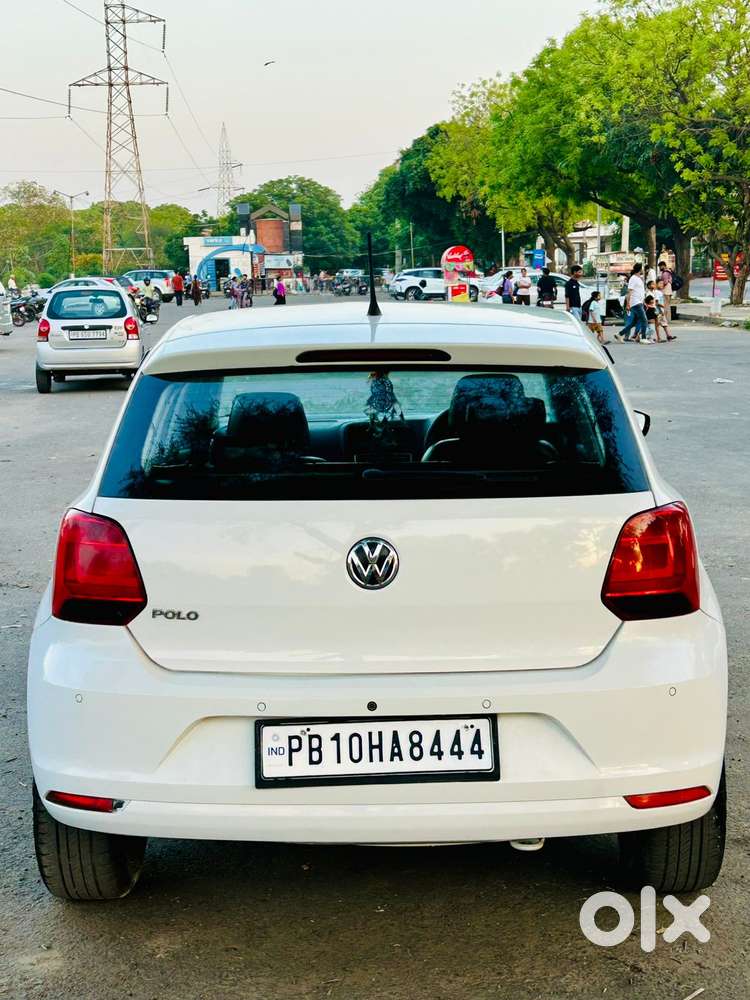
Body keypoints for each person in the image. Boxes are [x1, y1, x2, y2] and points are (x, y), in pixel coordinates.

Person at [614, 263, 648, 342]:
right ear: (640, 269)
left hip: (639, 302)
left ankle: (619, 334)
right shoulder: (633, 278)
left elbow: (640, 291)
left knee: (634, 322)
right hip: (635, 302)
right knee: (644, 320)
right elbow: (629, 292)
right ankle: (643, 338)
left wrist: (643, 301)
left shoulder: (639, 278)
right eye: (642, 268)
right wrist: (628, 304)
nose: (643, 270)